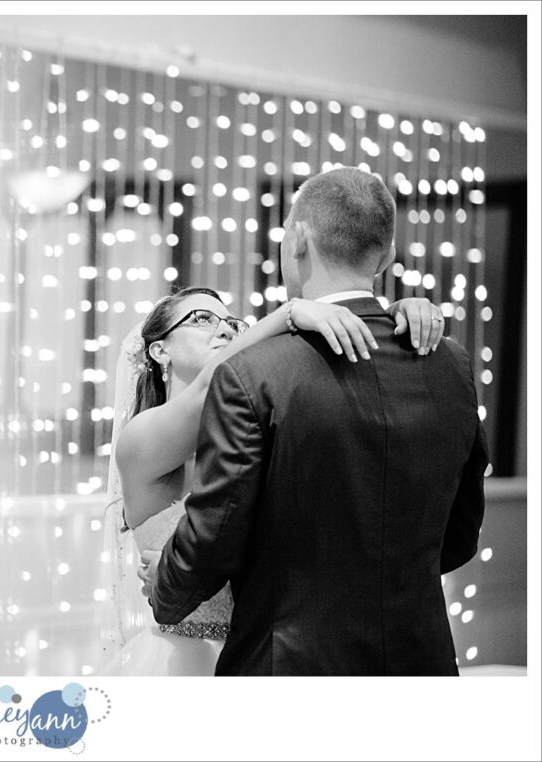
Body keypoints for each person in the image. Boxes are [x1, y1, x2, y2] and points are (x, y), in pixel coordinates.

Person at [137, 166, 489, 675]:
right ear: (387, 255)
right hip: (422, 663)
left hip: (289, 670)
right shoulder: (450, 362)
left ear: (298, 238)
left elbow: (215, 534)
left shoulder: (255, 372)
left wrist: (164, 592)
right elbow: (459, 537)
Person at [100, 282, 445, 676]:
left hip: (271, 656)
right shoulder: (138, 441)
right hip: (182, 664)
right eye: (202, 319)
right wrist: (290, 313)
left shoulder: (253, 437)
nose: (225, 328)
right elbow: (202, 393)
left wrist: (391, 317)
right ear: (160, 350)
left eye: (232, 322)